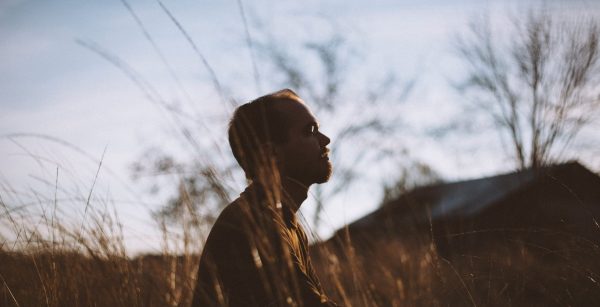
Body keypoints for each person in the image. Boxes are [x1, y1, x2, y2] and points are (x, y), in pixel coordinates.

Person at [192, 89, 339, 306]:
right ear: (270, 155)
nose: (325, 139)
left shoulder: (289, 224)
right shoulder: (253, 223)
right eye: (310, 131)